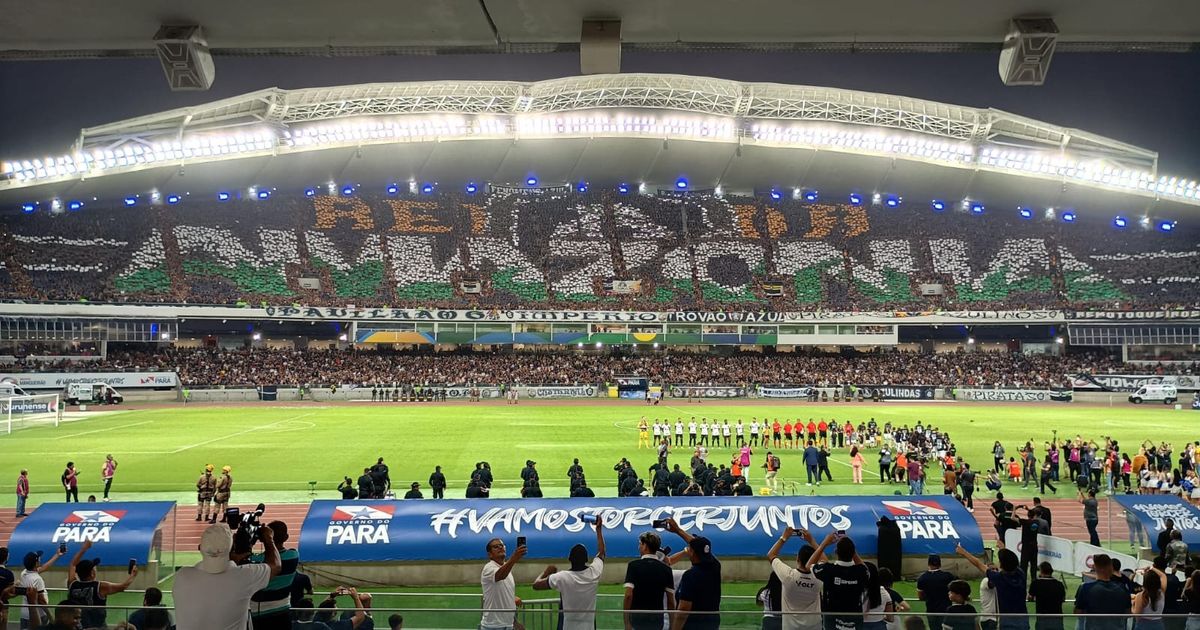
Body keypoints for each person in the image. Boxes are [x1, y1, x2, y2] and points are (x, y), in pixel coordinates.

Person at [174, 523, 281, 630]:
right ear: (231, 548)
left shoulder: (181, 576)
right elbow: (276, 566)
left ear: (200, 548)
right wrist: (268, 538)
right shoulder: (244, 577)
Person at [533, 514, 606, 630]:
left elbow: (536, 585)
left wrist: (546, 572)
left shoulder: (562, 577)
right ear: (587, 559)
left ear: (569, 559)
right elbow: (601, 553)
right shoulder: (594, 573)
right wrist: (598, 530)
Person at [662, 518, 720, 630]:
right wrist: (678, 530)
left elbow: (683, 609)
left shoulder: (691, 576)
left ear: (692, 552)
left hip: (693, 625)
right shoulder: (715, 568)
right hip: (712, 624)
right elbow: (703, 550)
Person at [66, 539, 137, 630]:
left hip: (78, 626)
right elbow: (123, 586)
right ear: (92, 573)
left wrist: (83, 549)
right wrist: (133, 575)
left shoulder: (72, 584)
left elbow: (72, 564)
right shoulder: (100, 586)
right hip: (98, 626)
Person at [955, 545, 1027, 630]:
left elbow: (978, 564)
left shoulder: (999, 578)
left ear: (1001, 565)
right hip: (1023, 619)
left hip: (1006, 621)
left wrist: (963, 552)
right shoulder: (1021, 574)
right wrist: (1003, 549)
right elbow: (1011, 562)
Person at [766, 527, 823, 630]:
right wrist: (812, 541)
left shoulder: (789, 576)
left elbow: (771, 555)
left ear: (797, 558)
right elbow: (824, 560)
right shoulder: (818, 577)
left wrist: (784, 537)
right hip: (814, 626)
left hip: (791, 627)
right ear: (815, 560)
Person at [812, 532, 868, 630]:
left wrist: (823, 544)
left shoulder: (828, 569)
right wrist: (850, 548)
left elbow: (809, 565)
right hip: (854, 621)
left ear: (836, 552)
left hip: (831, 621)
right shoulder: (861, 571)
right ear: (853, 552)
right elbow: (864, 568)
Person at [249, 521, 299, 630]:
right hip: (283, 612)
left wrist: (252, 540)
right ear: (286, 538)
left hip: (257, 615)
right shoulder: (293, 556)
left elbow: (243, 558)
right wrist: (267, 539)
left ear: (262, 539)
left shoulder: (256, 561)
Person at [623, 531, 677, 630]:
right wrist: (672, 625)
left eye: (640, 544)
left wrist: (626, 623)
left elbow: (628, 596)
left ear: (645, 546)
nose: (639, 547)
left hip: (637, 619)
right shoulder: (666, 569)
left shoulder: (633, 566)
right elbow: (670, 601)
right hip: (657, 620)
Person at [481, 537, 525, 630]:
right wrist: (514, 558)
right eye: (496, 547)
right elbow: (500, 576)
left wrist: (515, 623)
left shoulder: (507, 569)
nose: (500, 547)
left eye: (502, 545)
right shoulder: (488, 568)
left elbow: (504, 594)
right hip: (493, 626)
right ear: (490, 554)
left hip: (508, 625)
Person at [19, 548, 66, 629]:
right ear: (36, 563)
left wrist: (57, 555)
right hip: (38, 615)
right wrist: (51, 617)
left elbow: (44, 567)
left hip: (24, 614)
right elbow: (42, 601)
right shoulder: (37, 579)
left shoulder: (24, 573)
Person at [917, 555, 955, 630]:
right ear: (940, 564)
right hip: (946, 610)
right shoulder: (948, 576)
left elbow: (920, 596)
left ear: (928, 564)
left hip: (931, 611)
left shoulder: (922, 578)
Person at [1027, 562, 1065, 630]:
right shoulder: (1059, 584)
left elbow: (1030, 598)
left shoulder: (1036, 583)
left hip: (1042, 617)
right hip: (1057, 618)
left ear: (1041, 571)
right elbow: (1063, 599)